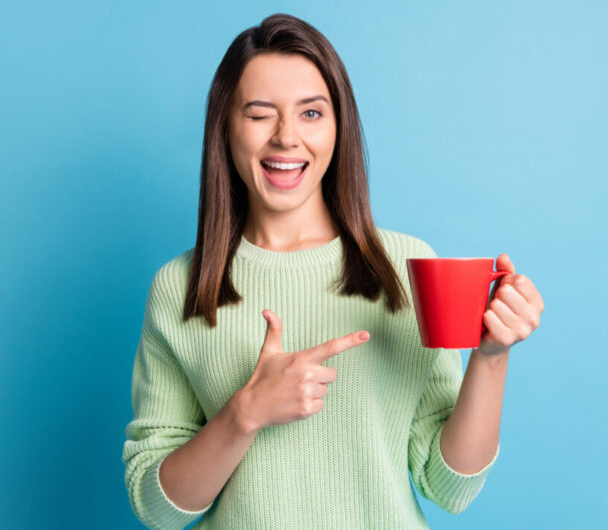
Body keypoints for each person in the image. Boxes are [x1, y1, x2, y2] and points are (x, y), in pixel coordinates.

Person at [122, 13, 544, 529]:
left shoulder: (405, 270)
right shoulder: (181, 287)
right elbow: (156, 507)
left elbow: (449, 485)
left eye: (311, 113)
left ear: (339, 127)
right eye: (259, 114)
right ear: (224, 128)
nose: (286, 138)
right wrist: (245, 413)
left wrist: (492, 358)